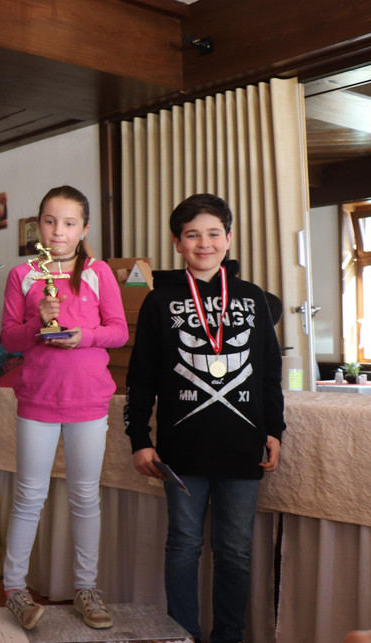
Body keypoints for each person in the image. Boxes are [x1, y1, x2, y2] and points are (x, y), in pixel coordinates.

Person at [123, 193, 285, 643]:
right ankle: (182, 634)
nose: (204, 243)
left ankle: (229, 635)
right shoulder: (158, 301)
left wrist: (275, 430)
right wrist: (139, 438)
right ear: (178, 243)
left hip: (243, 448)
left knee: (234, 551)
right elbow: (141, 377)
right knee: (183, 546)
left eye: (214, 233)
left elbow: (269, 373)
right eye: (192, 235)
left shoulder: (254, 299)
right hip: (182, 450)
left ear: (228, 239)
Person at [0, 186, 128, 630]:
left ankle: (86, 588)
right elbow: (9, 338)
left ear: (84, 229)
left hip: (89, 401)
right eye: (50, 221)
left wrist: (83, 336)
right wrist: (38, 323)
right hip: (37, 401)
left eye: (69, 223)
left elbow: (118, 331)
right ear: (38, 225)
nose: (58, 231)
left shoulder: (98, 272)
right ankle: (14, 589)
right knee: (29, 496)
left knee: (85, 497)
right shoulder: (23, 275)